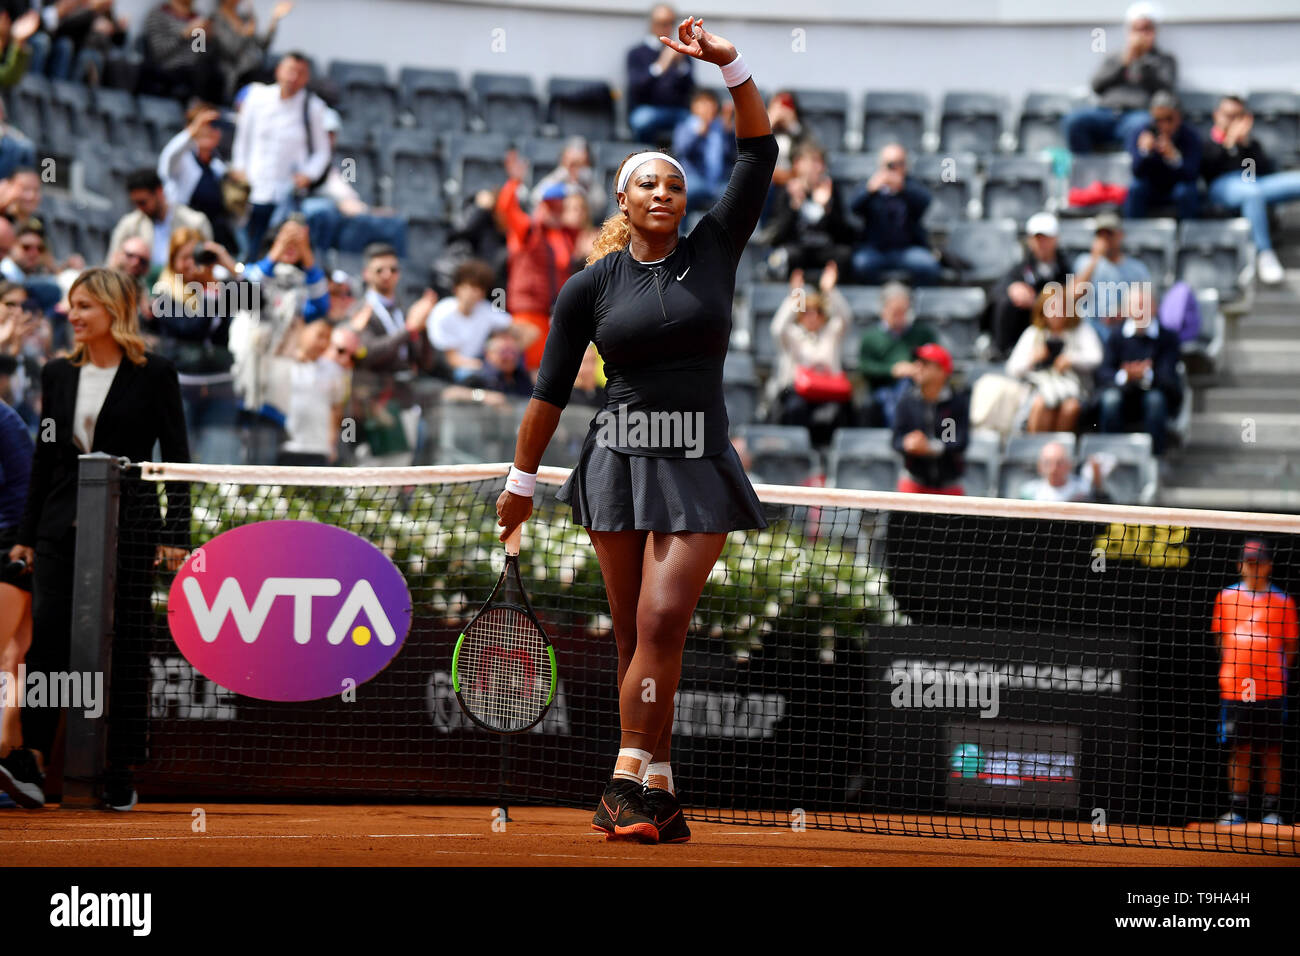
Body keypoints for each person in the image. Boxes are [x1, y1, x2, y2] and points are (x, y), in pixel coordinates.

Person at [496, 16, 774, 845]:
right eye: (648, 184)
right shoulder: (589, 286)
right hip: (615, 457)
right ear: (623, 199)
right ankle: (659, 786)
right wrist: (519, 482)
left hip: (697, 457)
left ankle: (619, 788)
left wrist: (733, 68)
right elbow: (548, 392)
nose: (664, 194)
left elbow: (758, 155)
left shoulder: (716, 247)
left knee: (660, 622)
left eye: (675, 186)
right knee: (636, 637)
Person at [0, 268, 191, 811]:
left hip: (130, 529)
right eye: (71, 306)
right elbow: (44, 457)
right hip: (60, 529)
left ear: (113, 310)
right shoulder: (57, 373)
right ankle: (33, 758)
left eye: (84, 306)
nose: (73, 316)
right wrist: (26, 535)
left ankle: (119, 766)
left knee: (127, 645)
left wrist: (176, 532)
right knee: (50, 644)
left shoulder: (156, 374)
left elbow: (176, 458)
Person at [1213, 539, 1296, 828]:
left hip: (1272, 687)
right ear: (1240, 565)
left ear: (1269, 565)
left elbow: (1291, 646)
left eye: (1259, 562)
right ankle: (1237, 808)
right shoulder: (1226, 597)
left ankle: (1271, 811)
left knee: (1271, 748)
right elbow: (1221, 639)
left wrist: (1273, 672)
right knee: (1240, 747)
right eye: (1249, 562)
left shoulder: (1283, 601)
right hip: (1235, 686)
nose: (1254, 567)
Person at [151, 229, 244, 464]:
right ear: (173, 262)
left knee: (218, 459)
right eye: (184, 257)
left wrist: (228, 263)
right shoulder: (164, 294)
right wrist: (209, 291)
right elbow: (191, 329)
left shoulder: (219, 287)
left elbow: (257, 301)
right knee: (174, 456)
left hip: (219, 384)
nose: (192, 264)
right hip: (181, 387)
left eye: (197, 256)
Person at [229, 51, 331, 261]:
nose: (293, 78)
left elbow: (323, 151)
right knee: (246, 245)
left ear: (306, 78)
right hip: (253, 185)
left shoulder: (313, 107)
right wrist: (239, 167)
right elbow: (243, 137)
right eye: (290, 71)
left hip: (286, 190)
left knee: (276, 244)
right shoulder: (257, 98)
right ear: (279, 71)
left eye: (300, 73)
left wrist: (308, 175)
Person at [1202, 95, 1300, 286]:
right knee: (1251, 192)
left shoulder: (1250, 143)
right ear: (1217, 115)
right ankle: (1264, 253)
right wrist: (1229, 144)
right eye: (1228, 115)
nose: (1233, 120)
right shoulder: (1207, 143)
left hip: (1252, 183)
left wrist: (1244, 145)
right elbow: (1207, 170)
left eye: (1238, 115)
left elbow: (1259, 172)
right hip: (1222, 187)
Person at [496, 151, 577, 371]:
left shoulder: (566, 236)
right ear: (540, 206)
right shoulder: (529, 230)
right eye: (550, 206)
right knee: (531, 372)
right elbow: (506, 209)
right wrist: (514, 181)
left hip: (553, 317)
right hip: (527, 314)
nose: (556, 211)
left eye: (560, 206)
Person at [1062, 1, 1176, 154]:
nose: (1141, 34)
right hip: (1105, 113)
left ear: (1155, 31)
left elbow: (1165, 90)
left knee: (1142, 125)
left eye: (1147, 29)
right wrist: (1124, 62)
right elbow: (1096, 85)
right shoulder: (1115, 57)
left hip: (1137, 114)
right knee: (1074, 121)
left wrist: (1143, 62)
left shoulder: (1164, 59)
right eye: (1137, 29)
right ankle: (1086, 168)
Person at [766, 262, 851, 445]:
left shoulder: (831, 333)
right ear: (800, 315)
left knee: (836, 413)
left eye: (817, 312)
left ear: (823, 315)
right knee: (795, 408)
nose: (812, 317)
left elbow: (845, 318)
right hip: (798, 393)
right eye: (806, 312)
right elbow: (777, 328)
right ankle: (797, 452)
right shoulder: (793, 334)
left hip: (828, 392)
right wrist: (795, 296)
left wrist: (830, 290)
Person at [1096, 284, 1181, 455]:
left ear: (1155, 308)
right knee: (1110, 400)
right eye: (1136, 306)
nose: (1140, 311)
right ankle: (1112, 456)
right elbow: (1104, 372)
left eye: (1145, 306)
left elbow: (1168, 376)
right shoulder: (1116, 335)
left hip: (1155, 393)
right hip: (1122, 394)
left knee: (1155, 401)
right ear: (1127, 309)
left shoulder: (1167, 338)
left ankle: (1155, 457)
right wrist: (1125, 376)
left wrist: (1146, 374)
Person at [1005, 287, 1104, 433]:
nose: (1057, 314)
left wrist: (1071, 360)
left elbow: (1096, 358)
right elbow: (1012, 368)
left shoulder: (1080, 330)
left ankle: (1061, 450)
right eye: (1052, 309)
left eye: (1061, 309)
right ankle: (1037, 451)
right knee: (1040, 404)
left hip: (1075, 388)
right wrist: (1033, 359)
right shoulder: (1033, 333)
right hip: (1041, 387)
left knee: (1070, 408)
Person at [758, 139, 854, 279]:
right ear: (798, 164)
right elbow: (777, 236)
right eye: (814, 162)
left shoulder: (831, 191)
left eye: (821, 163)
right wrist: (793, 207)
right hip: (798, 248)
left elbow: (843, 235)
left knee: (845, 255)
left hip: (823, 249)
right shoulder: (786, 192)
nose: (819, 168)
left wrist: (828, 208)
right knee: (783, 257)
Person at [848, 143, 940, 286]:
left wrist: (903, 188)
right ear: (881, 165)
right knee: (861, 264)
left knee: (929, 266)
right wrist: (869, 190)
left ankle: (915, 303)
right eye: (890, 164)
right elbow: (853, 208)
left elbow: (925, 202)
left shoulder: (910, 186)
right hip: (875, 250)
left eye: (900, 163)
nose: (895, 168)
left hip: (907, 250)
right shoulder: (871, 187)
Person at [0, 399, 32, 773]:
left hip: (12, 544)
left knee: (13, 658)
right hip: (23, 540)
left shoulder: (4, 419)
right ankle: (11, 757)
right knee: (14, 660)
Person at [990, 212, 1071, 360]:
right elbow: (997, 289)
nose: (1041, 243)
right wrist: (1012, 288)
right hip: (1026, 329)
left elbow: (1071, 294)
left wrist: (1038, 301)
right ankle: (1003, 352)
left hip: (1057, 330)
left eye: (1046, 238)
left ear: (1056, 239)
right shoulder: (1022, 268)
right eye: (1037, 238)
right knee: (1005, 302)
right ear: (1029, 240)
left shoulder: (1066, 268)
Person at [158, 104, 238, 254]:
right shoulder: (182, 160)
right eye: (204, 125)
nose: (209, 130)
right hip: (185, 236)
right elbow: (169, 157)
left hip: (215, 237)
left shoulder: (218, 165)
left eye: (213, 125)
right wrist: (194, 128)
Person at [858, 281, 938, 428]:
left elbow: (935, 359)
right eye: (896, 312)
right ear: (883, 310)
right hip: (882, 388)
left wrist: (917, 369)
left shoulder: (922, 333)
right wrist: (893, 370)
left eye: (904, 311)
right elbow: (865, 367)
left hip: (915, 387)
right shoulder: (871, 337)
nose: (900, 316)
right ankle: (898, 437)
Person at [891, 343, 968, 494]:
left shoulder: (953, 403)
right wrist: (908, 443)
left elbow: (955, 442)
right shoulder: (907, 401)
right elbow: (896, 440)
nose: (917, 367)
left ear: (942, 371)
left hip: (948, 488)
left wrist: (930, 447)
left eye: (925, 363)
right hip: (914, 484)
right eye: (917, 362)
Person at [109, 169, 213, 272]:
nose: (139, 208)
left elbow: (207, 267)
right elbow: (112, 266)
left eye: (143, 202)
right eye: (135, 203)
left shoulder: (195, 223)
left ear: (159, 192)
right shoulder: (129, 225)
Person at [1070, 211, 1152, 343]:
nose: (1105, 239)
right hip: (1089, 335)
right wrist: (1094, 259)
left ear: (1120, 236)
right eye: (1100, 235)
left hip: (1123, 335)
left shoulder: (1137, 269)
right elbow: (1072, 297)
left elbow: (1148, 306)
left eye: (1109, 234)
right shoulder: (1084, 262)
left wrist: (1124, 313)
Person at [428, 259, 514, 382]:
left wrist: (502, 346)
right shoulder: (442, 313)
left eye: (480, 289)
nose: (475, 293)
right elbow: (451, 359)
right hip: (447, 374)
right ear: (457, 288)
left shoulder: (486, 309)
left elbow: (517, 328)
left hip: (480, 368)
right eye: (471, 287)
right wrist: (486, 366)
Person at [279, 318, 346, 466]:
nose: (323, 343)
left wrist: (331, 442)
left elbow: (336, 408)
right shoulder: (286, 364)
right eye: (319, 335)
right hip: (286, 445)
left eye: (327, 338)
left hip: (319, 448)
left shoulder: (334, 370)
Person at [1124, 91, 1201, 220]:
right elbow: (1136, 170)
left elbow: (1192, 173)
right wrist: (1145, 152)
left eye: (1169, 119)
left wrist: (1174, 157)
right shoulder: (1141, 133)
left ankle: (1189, 236)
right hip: (1150, 186)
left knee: (1187, 191)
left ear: (1179, 117)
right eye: (1158, 120)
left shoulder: (1190, 136)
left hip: (1177, 185)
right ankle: (1133, 233)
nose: (1163, 125)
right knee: (1136, 188)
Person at [626, 4, 694, 145]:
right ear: (652, 24)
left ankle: (681, 164)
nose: (666, 28)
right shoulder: (637, 53)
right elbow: (635, 88)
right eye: (662, 23)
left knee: (696, 123)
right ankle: (647, 158)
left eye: (670, 23)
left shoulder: (681, 53)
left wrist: (681, 66)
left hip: (677, 111)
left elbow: (690, 89)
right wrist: (660, 67)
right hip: (647, 109)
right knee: (643, 120)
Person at [210, 0, 294, 102]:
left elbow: (263, 45)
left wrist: (275, 19)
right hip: (237, 74)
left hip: (255, 68)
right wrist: (245, 34)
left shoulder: (244, 17)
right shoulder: (216, 19)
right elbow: (231, 49)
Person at [140, 0, 222, 102]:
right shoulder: (158, 14)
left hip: (195, 70)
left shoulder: (198, 17)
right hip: (168, 69)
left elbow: (200, 52)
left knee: (214, 73)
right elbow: (159, 52)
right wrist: (184, 34)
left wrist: (208, 39)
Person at [672, 89, 735, 212]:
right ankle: (679, 230)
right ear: (693, 107)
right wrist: (699, 133)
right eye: (703, 103)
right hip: (694, 177)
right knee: (685, 192)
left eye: (711, 103)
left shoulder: (721, 128)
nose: (708, 107)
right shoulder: (685, 127)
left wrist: (729, 133)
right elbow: (681, 151)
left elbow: (733, 155)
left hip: (719, 181)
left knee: (737, 196)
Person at [1018, 441, 1108, 503]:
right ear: (1040, 466)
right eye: (1047, 463)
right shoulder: (1029, 493)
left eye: (1059, 463)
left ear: (1069, 465)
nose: (1053, 468)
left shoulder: (1084, 490)